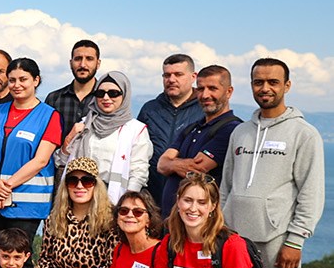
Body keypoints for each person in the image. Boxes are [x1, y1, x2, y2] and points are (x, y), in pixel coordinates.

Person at [220, 58, 324, 268]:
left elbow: (311, 191)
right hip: (235, 237)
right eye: (258, 81)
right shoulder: (241, 132)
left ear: (287, 85)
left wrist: (296, 240)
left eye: (273, 82)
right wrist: (220, 227)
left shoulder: (303, 133)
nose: (265, 88)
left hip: (277, 237)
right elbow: (226, 186)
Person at [0, 57, 61, 268]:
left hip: (25, 204)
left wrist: (6, 186)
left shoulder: (49, 116)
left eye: (23, 79)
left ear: (36, 80)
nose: (16, 84)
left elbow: (41, 160)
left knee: (18, 259)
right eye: (12, 79)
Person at [156, 65, 241, 217]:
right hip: (171, 221)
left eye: (212, 88)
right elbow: (161, 164)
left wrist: (173, 164)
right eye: (200, 89)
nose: (205, 95)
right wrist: (176, 165)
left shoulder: (231, 129)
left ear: (229, 92)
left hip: (199, 222)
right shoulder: (192, 128)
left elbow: (197, 169)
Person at [64, 71, 152, 203]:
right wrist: (70, 137)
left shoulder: (136, 130)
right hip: (82, 197)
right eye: (100, 93)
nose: (106, 98)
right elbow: (62, 161)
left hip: (114, 200)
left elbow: (139, 172)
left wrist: (127, 202)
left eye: (113, 93)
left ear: (125, 95)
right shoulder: (84, 124)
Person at [137, 54, 201, 200]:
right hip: (151, 196)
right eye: (167, 75)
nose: (171, 80)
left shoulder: (204, 111)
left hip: (190, 196)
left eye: (178, 74)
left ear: (193, 76)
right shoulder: (150, 110)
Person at [45, 39, 102, 134]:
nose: (83, 64)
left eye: (89, 59)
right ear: (71, 63)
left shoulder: (106, 98)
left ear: (98, 63)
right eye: (78, 59)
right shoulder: (54, 98)